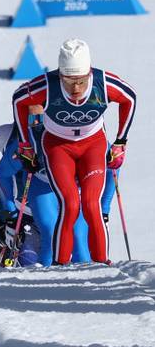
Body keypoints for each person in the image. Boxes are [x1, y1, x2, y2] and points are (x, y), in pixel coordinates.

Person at [12, 39, 136, 264]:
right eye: (69, 81)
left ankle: (102, 264)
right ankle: (61, 264)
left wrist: (120, 142)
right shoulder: (47, 85)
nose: (76, 88)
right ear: (60, 75)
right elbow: (19, 100)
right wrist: (25, 146)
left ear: (89, 73)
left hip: (93, 145)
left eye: (80, 81)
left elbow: (130, 98)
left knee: (91, 205)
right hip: (59, 147)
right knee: (69, 204)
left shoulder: (103, 82)